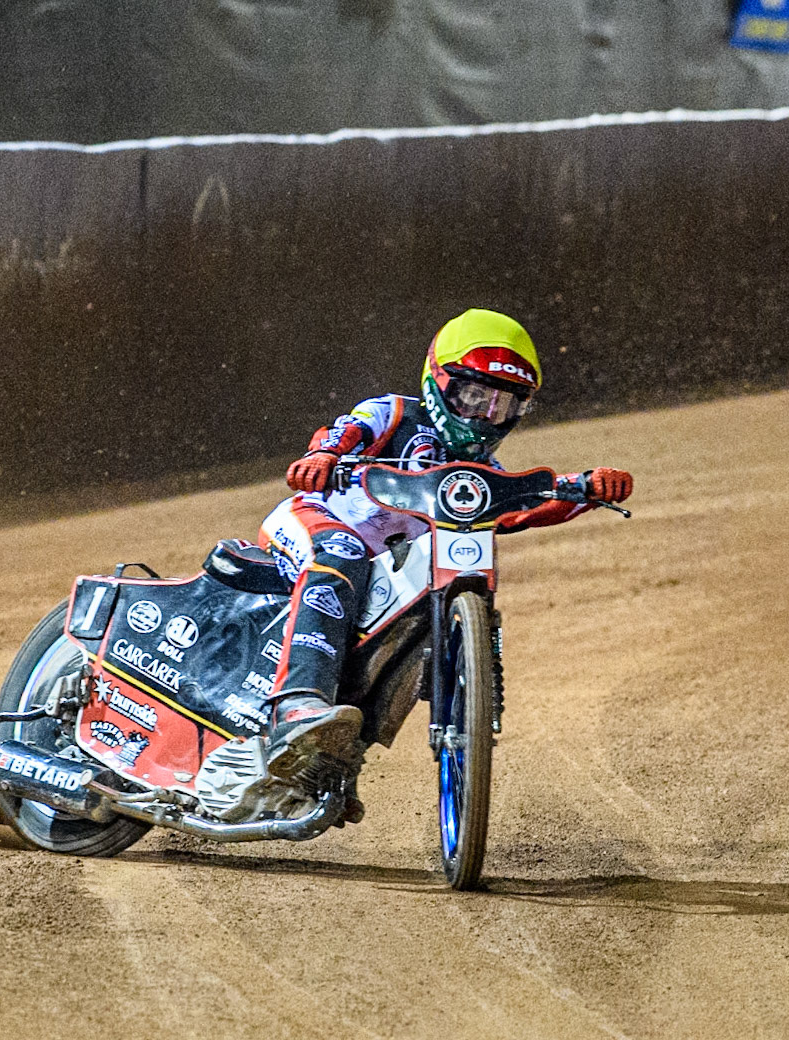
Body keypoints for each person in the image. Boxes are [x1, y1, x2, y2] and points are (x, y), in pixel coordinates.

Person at [224, 308, 634, 805]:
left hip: (381, 567)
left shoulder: (480, 471)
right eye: (474, 395)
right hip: (313, 518)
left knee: (423, 614)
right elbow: (346, 429)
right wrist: (325, 456)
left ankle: (335, 757)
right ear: (439, 382)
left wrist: (588, 490)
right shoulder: (394, 413)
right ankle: (297, 704)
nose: (485, 415)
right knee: (342, 550)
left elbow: (520, 511)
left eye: (502, 405)